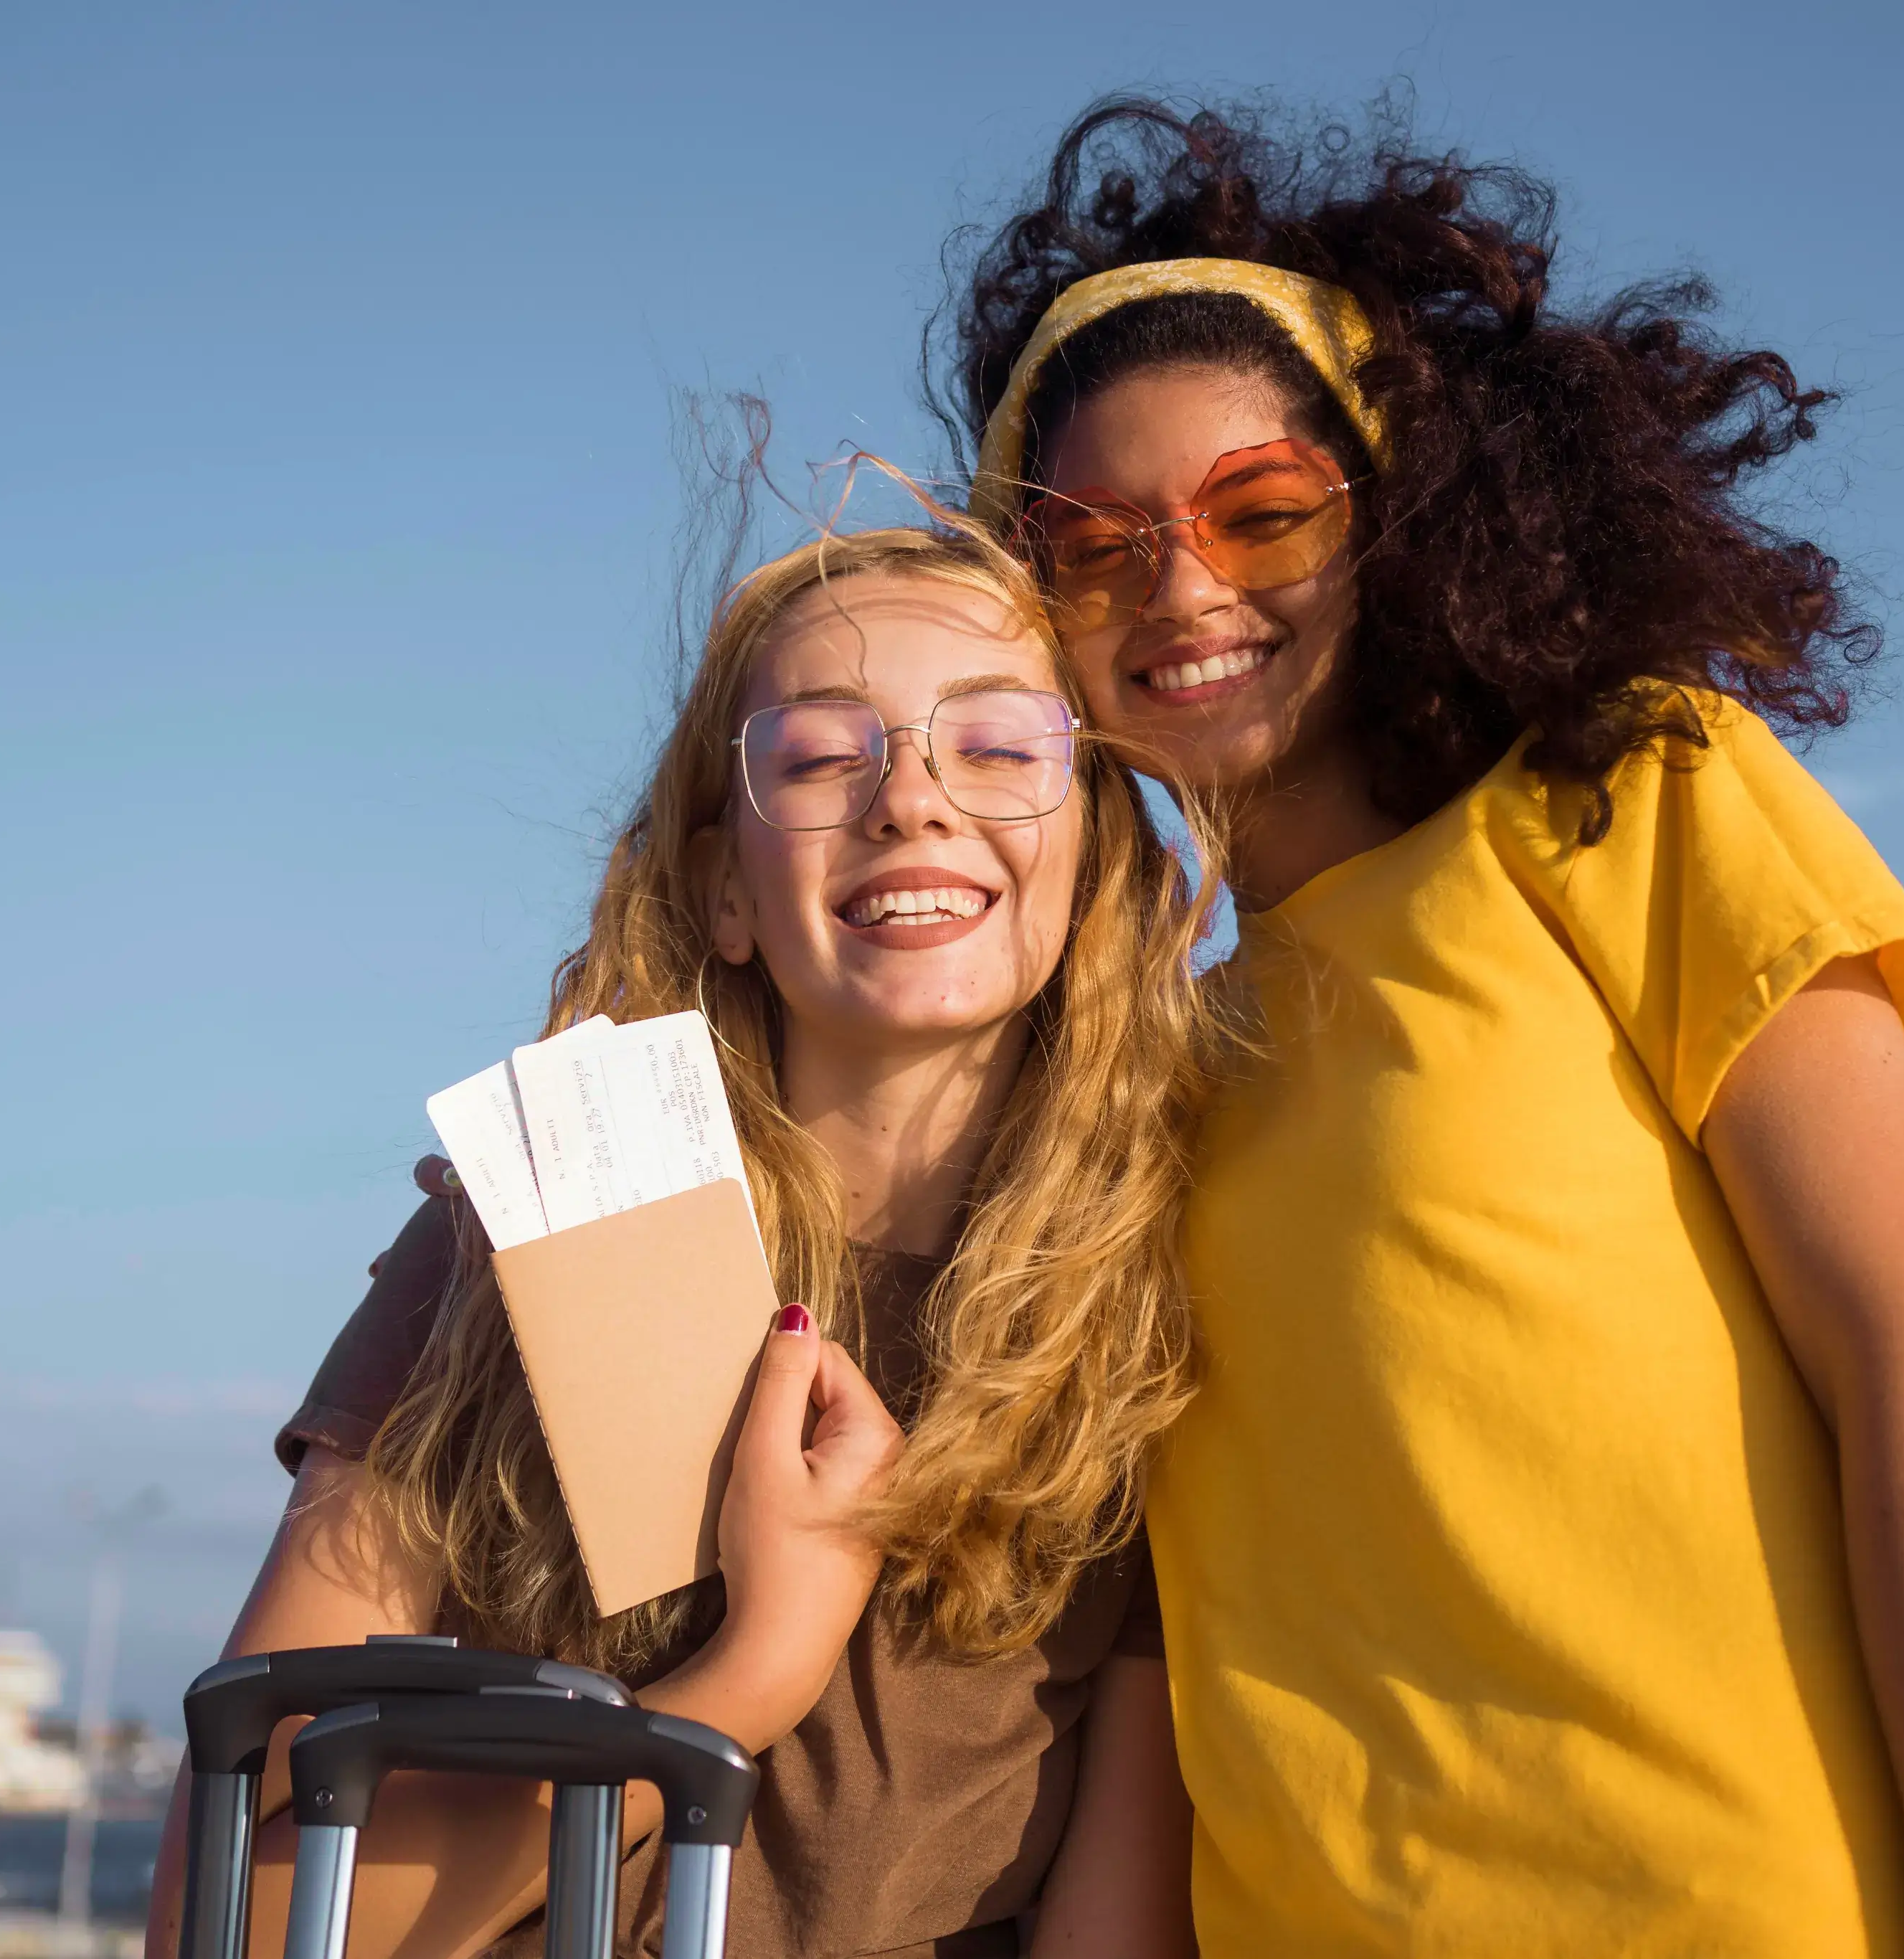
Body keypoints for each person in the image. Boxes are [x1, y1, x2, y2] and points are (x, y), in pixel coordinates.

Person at [927, 98, 1904, 1958]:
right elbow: (1167, 1674)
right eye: (1094, 548)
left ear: (1398, 514)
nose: (1182, 587)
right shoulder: (1137, 1073)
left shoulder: (1625, 799)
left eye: (1261, 511)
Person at [141, 519, 1216, 1959]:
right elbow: (219, 1920)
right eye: (821, 757)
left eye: (1000, 746)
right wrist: (750, 1672)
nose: (911, 801)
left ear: (1091, 852)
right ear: (723, 888)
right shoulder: (523, 1236)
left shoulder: (1147, 1310)